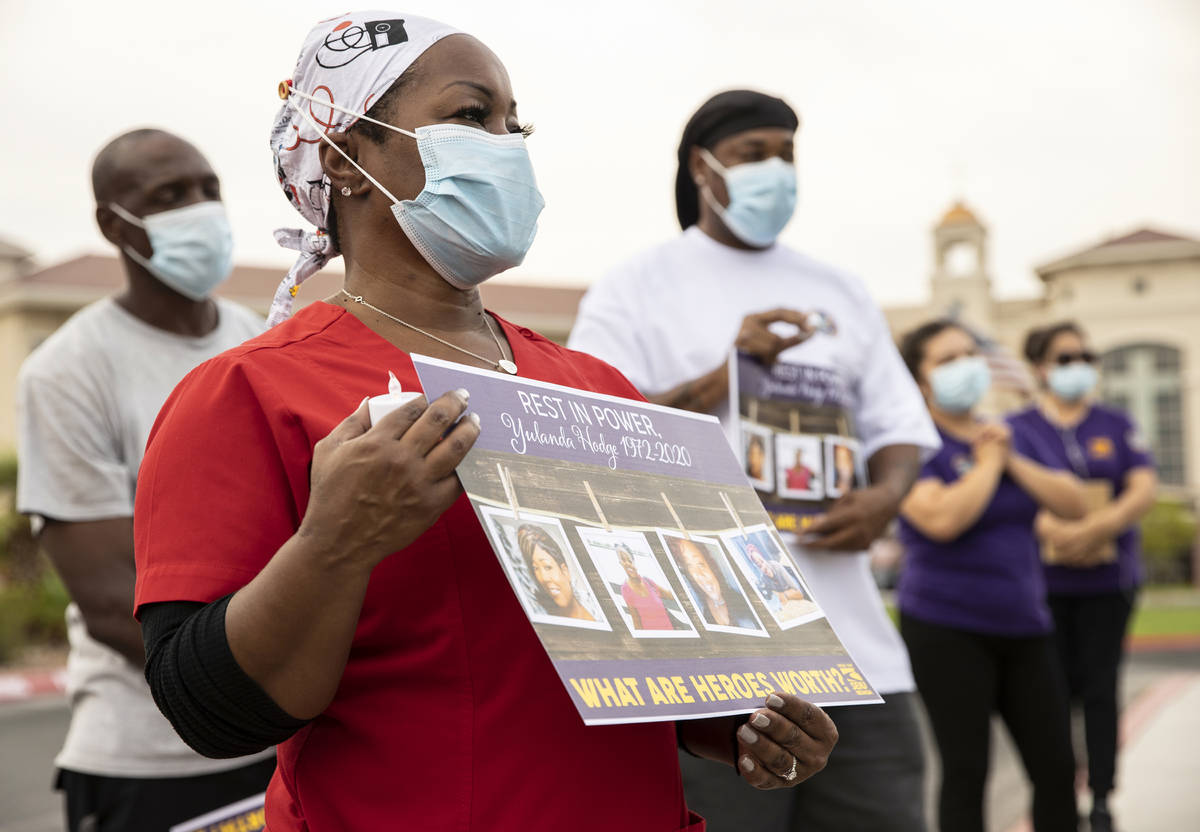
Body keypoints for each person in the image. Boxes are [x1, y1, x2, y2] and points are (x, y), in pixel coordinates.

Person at [130, 14, 837, 831]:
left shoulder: (597, 388)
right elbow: (206, 709)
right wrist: (334, 545)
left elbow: (653, 652)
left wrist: (745, 722)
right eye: (471, 117)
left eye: (515, 123)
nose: (505, 146)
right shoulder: (249, 392)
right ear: (346, 158)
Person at [569, 89, 938, 832]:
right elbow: (588, 436)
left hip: (857, 653)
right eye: (753, 154)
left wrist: (887, 494)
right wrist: (726, 373)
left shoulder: (839, 290)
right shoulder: (636, 287)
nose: (776, 170)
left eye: (786, 154)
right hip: (709, 654)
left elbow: (901, 422)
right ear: (702, 169)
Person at [14, 129, 271, 831]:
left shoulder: (254, 343)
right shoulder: (70, 370)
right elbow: (107, 597)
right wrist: (263, 687)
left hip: (279, 744)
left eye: (206, 189)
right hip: (152, 765)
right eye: (168, 196)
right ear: (113, 224)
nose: (198, 208)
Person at [895, 319, 1087, 832]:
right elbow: (940, 519)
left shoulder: (1012, 433)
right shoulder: (912, 443)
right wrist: (985, 465)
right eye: (947, 360)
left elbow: (1073, 503)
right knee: (966, 771)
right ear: (920, 380)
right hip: (945, 627)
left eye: (969, 353)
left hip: (1026, 625)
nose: (966, 366)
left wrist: (1011, 460)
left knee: (1057, 768)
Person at [1012, 321, 1157, 832]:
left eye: (1083, 357)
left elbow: (1141, 487)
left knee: (1099, 690)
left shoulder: (1114, 423)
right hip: (1041, 588)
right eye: (1065, 357)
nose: (1078, 367)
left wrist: (1098, 528)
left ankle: (1100, 795)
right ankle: (1057, 793)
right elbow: (1010, 494)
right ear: (1040, 368)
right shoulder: (1020, 428)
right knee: (1050, 697)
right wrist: (1056, 532)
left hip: (1107, 583)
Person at [667, 537, 760, 630]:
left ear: (710, 563)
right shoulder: (699, 617)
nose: (700, 575)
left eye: (700, 564)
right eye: (689, 567)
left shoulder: (745, 602)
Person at [518, 523, 596, 621]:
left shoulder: (593, 608)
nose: (544, 578)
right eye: (536, 568)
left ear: (564, 570)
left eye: (548, 567)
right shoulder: (540, 614)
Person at [618, 544, 679, 630]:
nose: (627, 563)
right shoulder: (626, 589)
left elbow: (671, 595)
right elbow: (636, 622)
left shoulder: (648, 582)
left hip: (671, 632)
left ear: (634, 561)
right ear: (620, 563)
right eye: (623, 560)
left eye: (629, 560)